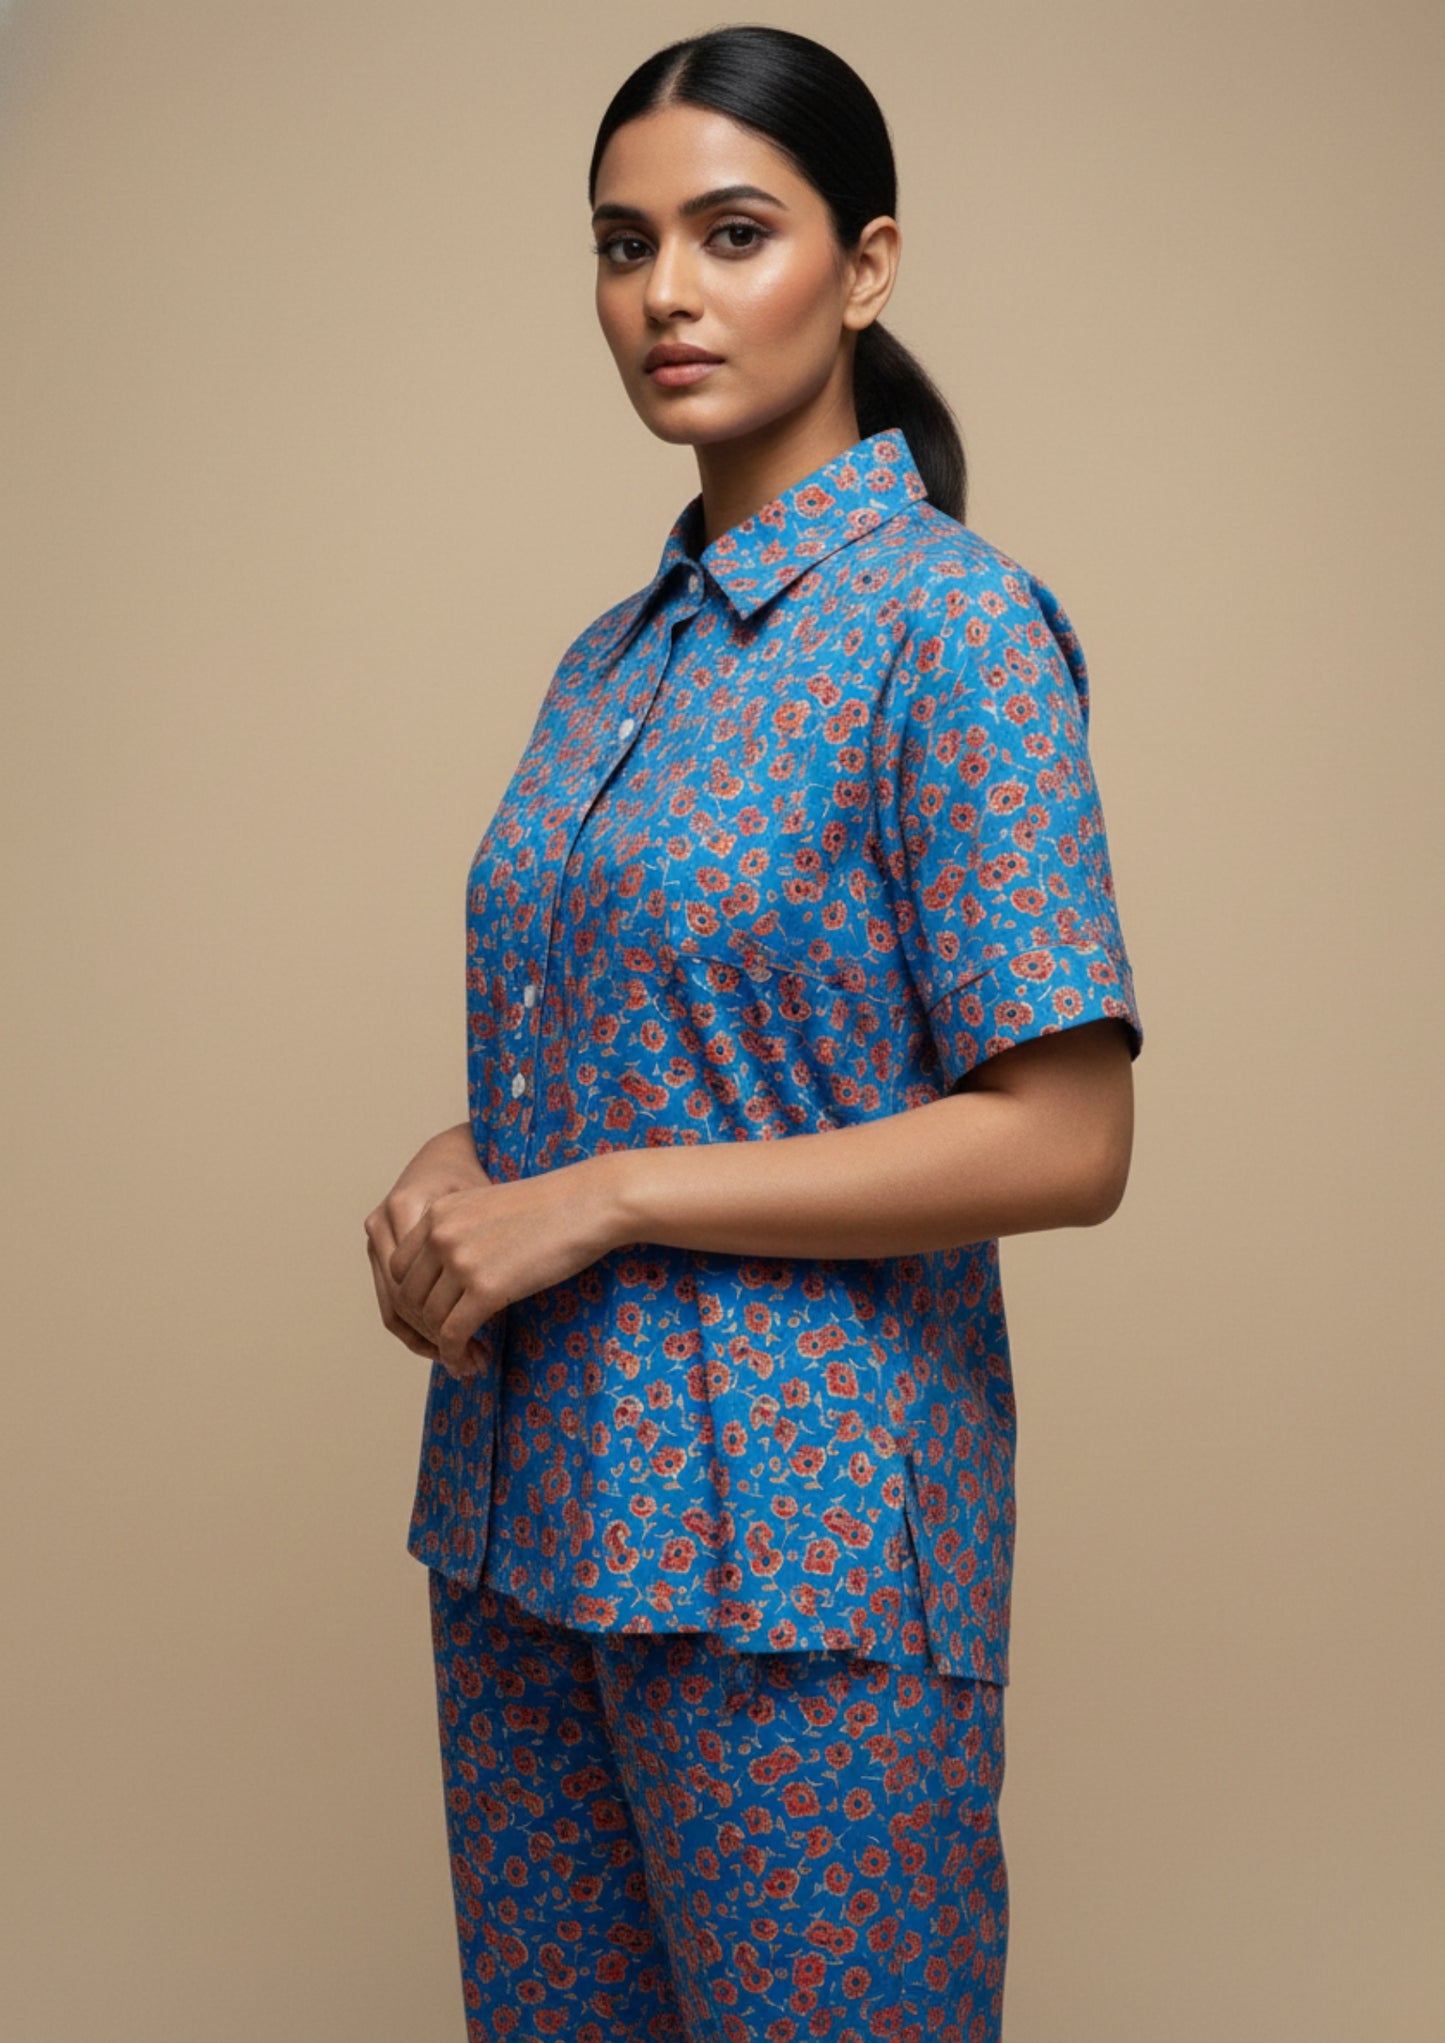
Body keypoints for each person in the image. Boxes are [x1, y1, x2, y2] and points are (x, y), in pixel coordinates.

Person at [363, 25, 1143, 2043]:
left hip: (801, 1550)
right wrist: (470, 1167)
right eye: (624, 246)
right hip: (525, 1516)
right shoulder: (605, 660)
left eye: (731, 234)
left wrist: (604, 1197)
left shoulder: (951, 630)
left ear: (864, 265)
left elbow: (1069, 1136)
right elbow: (645, 1038)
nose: (667, 296)